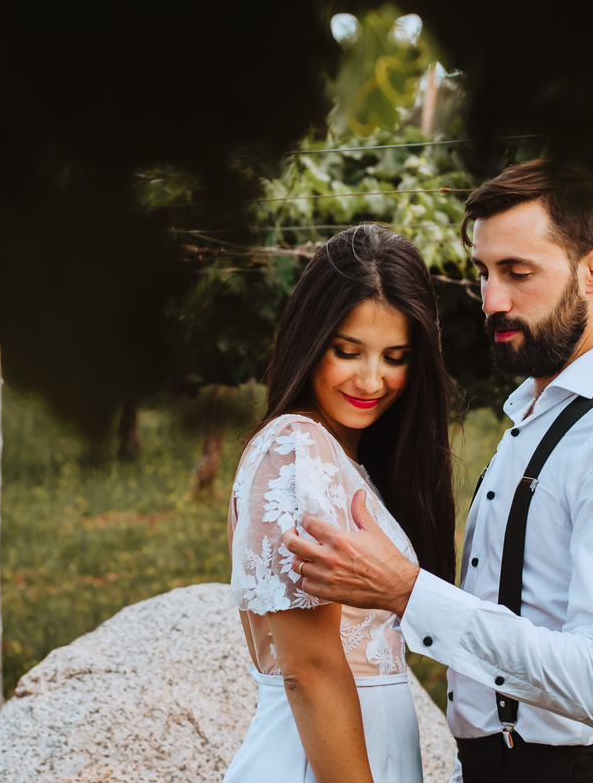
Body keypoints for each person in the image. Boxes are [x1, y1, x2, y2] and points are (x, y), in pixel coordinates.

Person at [285, 159, 593, 782]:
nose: (492, 300)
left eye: (517, 272)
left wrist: (407, 590)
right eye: (484, 272)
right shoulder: (531, 421)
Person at [223, 224, 458, 783]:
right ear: (311, 340)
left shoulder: (344, 459)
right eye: (347, 351)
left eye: (395, 356)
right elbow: (309, 668)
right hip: (320, 760)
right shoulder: (294, 446)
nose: (372, 380)